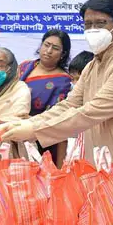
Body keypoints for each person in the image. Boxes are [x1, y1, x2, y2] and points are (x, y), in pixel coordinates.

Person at [0, 0, 113, 196]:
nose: (93, 30)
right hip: (105, 160)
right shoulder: (93, 65)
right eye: (88, 24)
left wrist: (34, 129)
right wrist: (27, 123)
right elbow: (70, 104)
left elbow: (92, 111)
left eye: (101, 23)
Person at [18, 30, 73, 162]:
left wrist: (28, 122)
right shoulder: (25, 66)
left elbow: (54, 115)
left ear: (63, 54)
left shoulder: (62, 80)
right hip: (12, 129)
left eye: (55, 48)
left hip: (38, 137)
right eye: (46, 45)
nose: (48, 51)